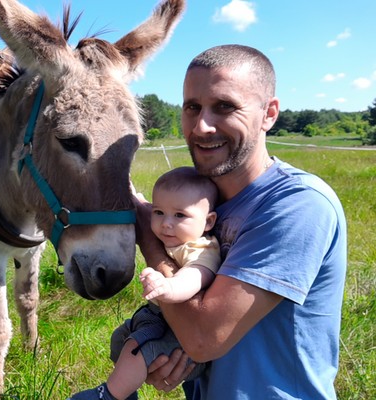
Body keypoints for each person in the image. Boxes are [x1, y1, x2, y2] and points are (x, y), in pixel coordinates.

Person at [138, 44, 347, 399]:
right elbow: (195, 341)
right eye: (192, 108)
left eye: (224, 107)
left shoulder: (297, 205)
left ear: (269, 113)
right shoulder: (200, 205)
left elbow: (204, 338)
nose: (202, 126)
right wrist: (169, 354)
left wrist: (149, 237)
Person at [69, 166, 221, 400]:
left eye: (179, 215)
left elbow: (196, 275)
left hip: (180, 333)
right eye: (159, 212)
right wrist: (130, 192)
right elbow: (143, 205)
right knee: (120, 339)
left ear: (208, 221)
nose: (166, 223)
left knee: (138, 347)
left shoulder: (201, 249)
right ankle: (127, 391)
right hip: (160, 315)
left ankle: (109, 395)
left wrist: (168, 286)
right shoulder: (177, 236)